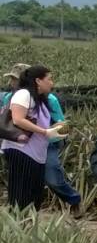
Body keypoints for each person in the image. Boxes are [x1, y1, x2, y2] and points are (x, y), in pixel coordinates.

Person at [2, 65, 62, 210]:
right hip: (22, 152)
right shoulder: (24, 94)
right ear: (38, 81)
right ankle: (18, 229)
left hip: (37, 154)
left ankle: (27, 229)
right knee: (20, 199)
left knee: (34, 197)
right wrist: (44, 132)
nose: (52, 83)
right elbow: (18, 119)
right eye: (49, 79)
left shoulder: (42, 99)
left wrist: (56, 128)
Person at [37, 76, 79, 214]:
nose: (12, 82)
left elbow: (63, 125)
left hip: (48, 144)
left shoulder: (50, 100)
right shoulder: (10, 98)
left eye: (15, 79)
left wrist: (48, 131)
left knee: (53, 178)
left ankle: (74, 199)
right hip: (22, 145)